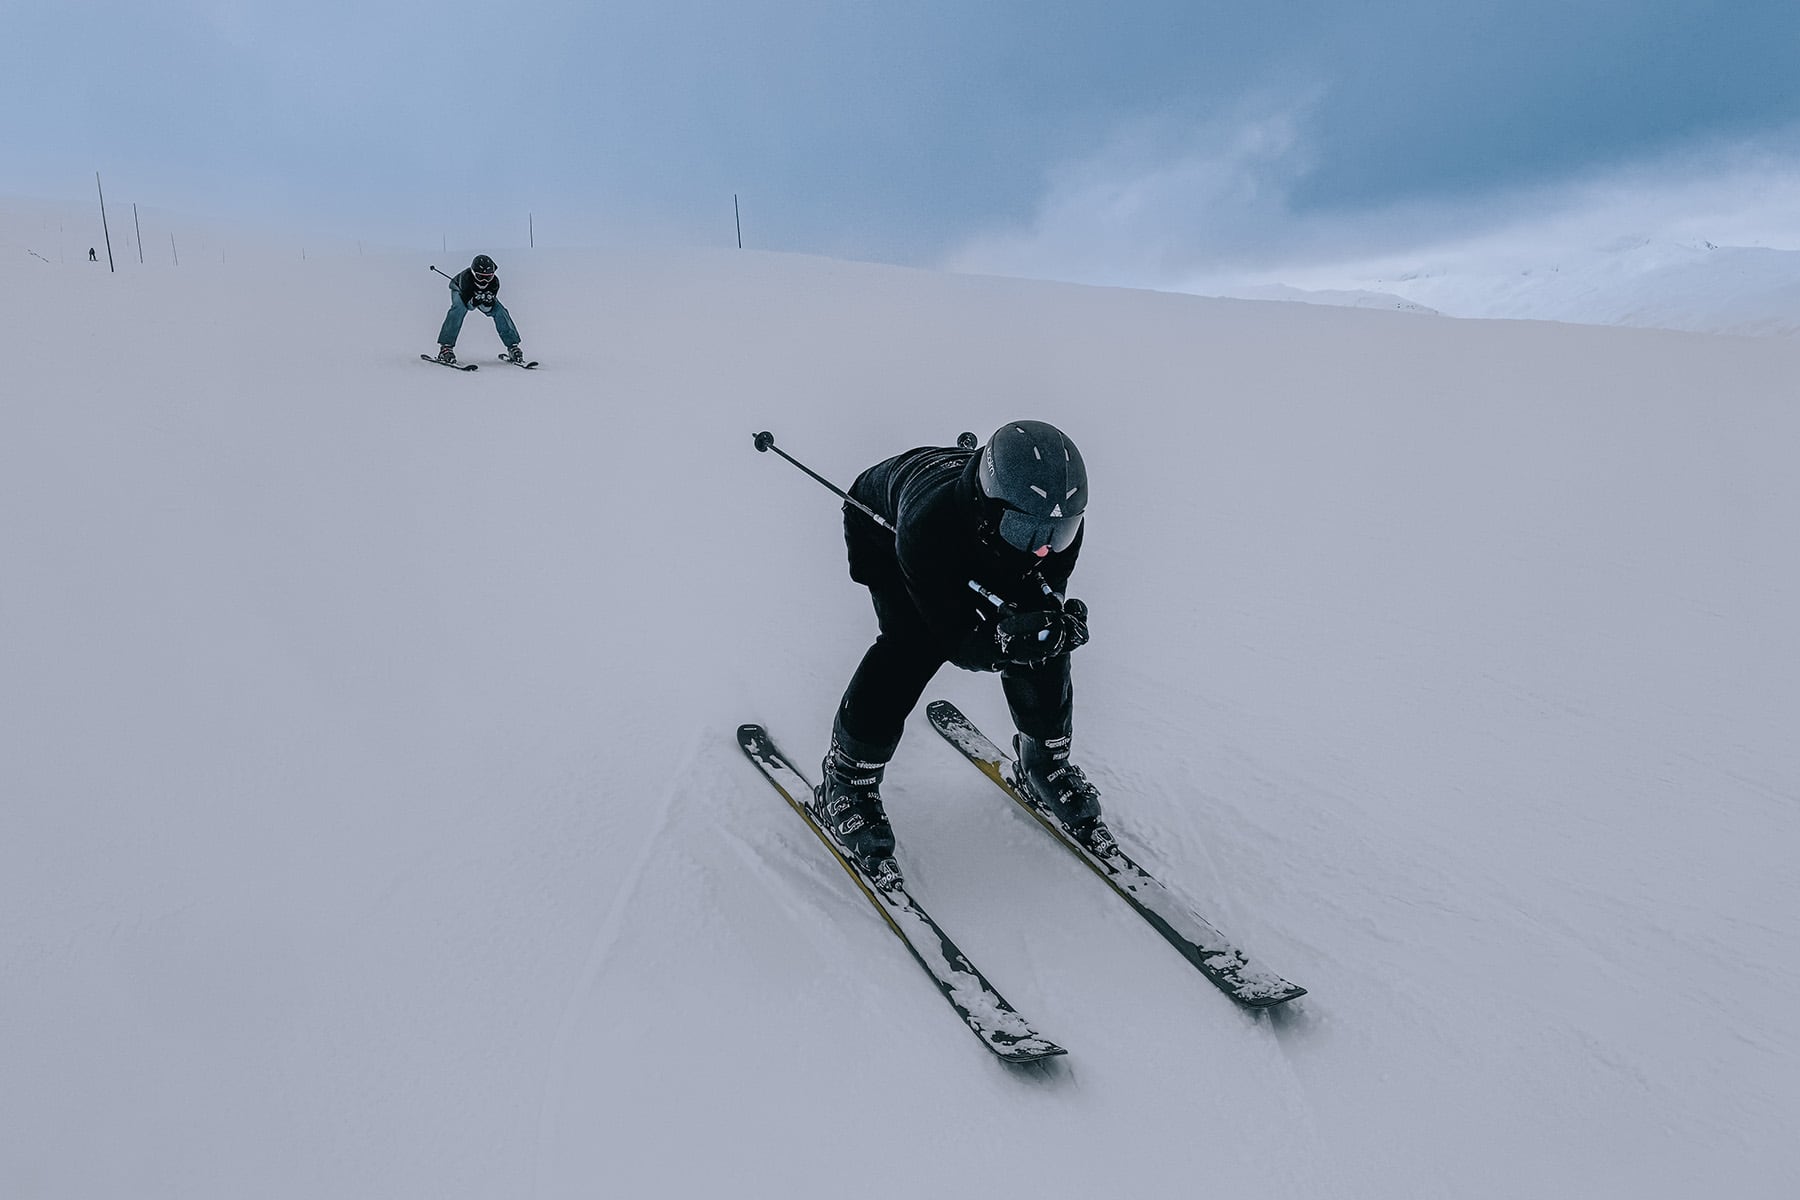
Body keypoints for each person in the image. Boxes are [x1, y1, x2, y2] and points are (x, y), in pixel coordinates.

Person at [819, 420, 1105, 884]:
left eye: (1060, 532)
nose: (1043, 549)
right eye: (1025, 529)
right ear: (990, 506)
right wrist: (1000, 642)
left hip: (975, 530)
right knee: (910, 646)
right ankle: (847, 779)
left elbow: (1044, 590)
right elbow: (954, 638)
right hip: (885, 527)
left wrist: (1049, 626)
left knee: (1041, 638)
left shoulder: (1051, 526)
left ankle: (1044, 761)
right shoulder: (926, 525)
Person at [434, 254, 526, 366]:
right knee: (458, 309)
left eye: (488, 277)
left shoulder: (494, 283)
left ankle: (513, 346)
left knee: (500, 311)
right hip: (460, 291)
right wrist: (474, 300)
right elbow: (469, 306)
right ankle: (446, 347)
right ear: (473, 273)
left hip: (480, 295)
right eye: (480, 277)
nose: (484, 281)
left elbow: (488, 309)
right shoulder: (466, 279)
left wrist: (487, 301)